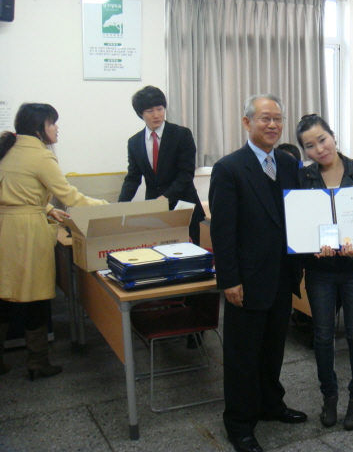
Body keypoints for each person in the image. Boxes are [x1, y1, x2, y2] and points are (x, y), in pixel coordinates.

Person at [209, 94, 306, 452]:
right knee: (242, 355)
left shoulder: (289, 163)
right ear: (247, 122)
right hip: (247, 280)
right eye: (265, 118)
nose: (273, 125)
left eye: (278, 119)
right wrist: (229, 279)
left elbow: (298, 215)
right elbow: (223, 231)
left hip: (282, 275)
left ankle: (270, 403)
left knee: (273, 348)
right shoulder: (229, 168)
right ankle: (239, 422)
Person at [0, 104, 108, 380]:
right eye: (52, 123)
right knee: (35, 296)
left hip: (5, 228)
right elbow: (70, 196)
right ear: (39, 128)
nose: (56, 128)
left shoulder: (7, 149)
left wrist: (46, 208)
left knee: (4, 295)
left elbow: (15, 190)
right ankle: (37, 362)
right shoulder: (41, 156)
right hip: (27, 232)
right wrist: (105, 205)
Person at [296, 113, 353, 431]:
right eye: (309, 146)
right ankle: (329, 396)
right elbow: (301, 222)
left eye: (322, 140)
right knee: (323, 335)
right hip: (320, 269)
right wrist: (310, 246)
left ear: (333, 136)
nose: (319, 149)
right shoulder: (304, 177)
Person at [118, 86, 205, 245]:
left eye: (160, 109)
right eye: (150, 111)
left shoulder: (181, 134)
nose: (157, 115)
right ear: (140, 113)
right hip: (155, 212)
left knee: (189, 256)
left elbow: (186, 174)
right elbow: (133, 178)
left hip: (183, 207)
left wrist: (165, 198)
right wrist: (120, 206)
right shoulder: (134, 142)